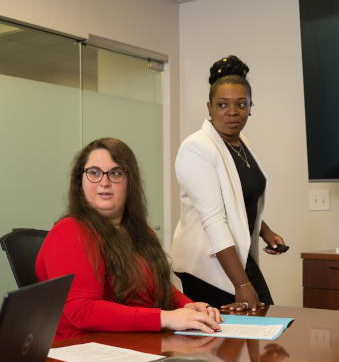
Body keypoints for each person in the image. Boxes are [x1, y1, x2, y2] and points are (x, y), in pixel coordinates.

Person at [35, 137, 222, 342]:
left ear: (130, 182)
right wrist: (164, 318)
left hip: (136, 343)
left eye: (115, 173)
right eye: (94, 173)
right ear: (80, 181)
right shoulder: (71, 231)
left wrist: (186, 305)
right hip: (87, 353)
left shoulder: (142, 232)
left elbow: (155, 287)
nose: (104, 183)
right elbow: (83, 311)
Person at [172, 55, 283, 312]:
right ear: (209, 107)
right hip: (206, 263)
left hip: (233, 250)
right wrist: (241, 283)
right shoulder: (197, 147)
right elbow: (213, 218)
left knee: (256, 328)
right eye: (223, 104)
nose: (232, 112)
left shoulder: (240, 142)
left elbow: (236, 198)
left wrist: (264, 231)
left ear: (250, 106)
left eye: (241, 104)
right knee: (239, 333)